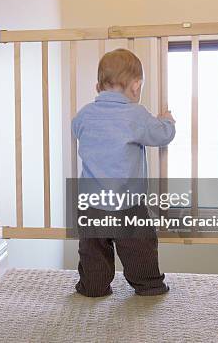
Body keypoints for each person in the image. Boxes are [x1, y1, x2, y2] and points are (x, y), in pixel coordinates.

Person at [71, 48, 175, 297]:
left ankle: (93, 287)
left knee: (93, 250)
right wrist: (167, 120)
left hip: (91, 203)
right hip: (126, 203)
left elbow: (77, 129)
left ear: (98, 87)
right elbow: (162, 135)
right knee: (139, 248)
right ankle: (149, 285)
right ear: (136, 86)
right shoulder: (135, 115)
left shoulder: (85, 114)